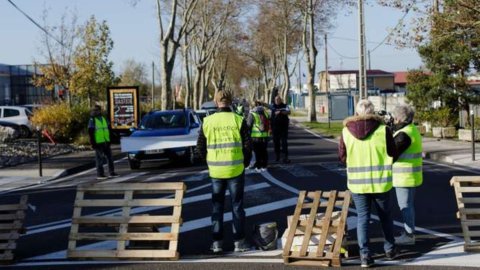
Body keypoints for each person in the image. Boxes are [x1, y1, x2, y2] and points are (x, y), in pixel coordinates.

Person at [338, 99, 397, 268]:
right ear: (374, 113)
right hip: (381, 182)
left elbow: (342, 156)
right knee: (385, 216)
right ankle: (390, 249)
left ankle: (365, 255)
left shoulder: (346, 132)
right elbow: (393, 152)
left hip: (357, 184)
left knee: (363, 218)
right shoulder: (383, 130)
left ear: (356, 113)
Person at [196, 90, 252, 254]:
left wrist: (208, 162)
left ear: (215, 102)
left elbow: (199, 147)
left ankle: (217, 243)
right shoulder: (238, 120)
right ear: (231, 101)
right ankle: (239, 242)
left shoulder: (207, 121)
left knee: (217, 208)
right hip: (235, 169)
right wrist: (245, 163)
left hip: (216, 171)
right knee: (237, 207)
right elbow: (248, 146)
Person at [391, 104, 423, 245]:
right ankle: (409, 233)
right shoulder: (411, 129)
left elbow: (392, 154)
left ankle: (409, 236)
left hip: (404, 177)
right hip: (411, 176)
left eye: (394, 117)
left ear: (399, 118)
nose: (392, 120)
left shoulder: (404, 135)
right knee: (408, 205)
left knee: (405, 206)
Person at [88, 104, 118, 180]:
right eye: (94, 110)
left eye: (97, 110)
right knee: (99, 159)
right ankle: (100, 174)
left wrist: (111, 138)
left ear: (100, 111)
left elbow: (108, 129)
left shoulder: (103, 118)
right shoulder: (92, 120)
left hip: (106, 141)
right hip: (98, 142)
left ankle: (112, 172)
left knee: (110, 158)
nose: (95, 111)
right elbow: (90, 132)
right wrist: (93, 143)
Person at [247, 101, 270, 172]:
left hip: (256, 136)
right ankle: (265, 166)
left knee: (257, 152)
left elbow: (249, 125)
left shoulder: (252, 114)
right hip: (265, 135)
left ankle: (259, 166)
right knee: (264, 151)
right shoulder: (265, 113)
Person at [270, 95, 290, 164]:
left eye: (278, 99)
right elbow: (267, 107)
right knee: (276, 143)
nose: (277, 101)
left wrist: (280, 112)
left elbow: (288, 112)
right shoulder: (272, 106)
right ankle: (277, 156)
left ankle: (285, 157)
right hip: (275, 128)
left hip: (283, 128)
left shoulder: (285, 106)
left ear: (281, 100)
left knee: (284, 142)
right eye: (276, 99)